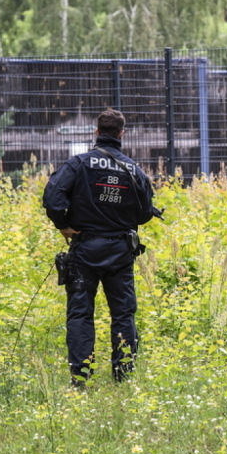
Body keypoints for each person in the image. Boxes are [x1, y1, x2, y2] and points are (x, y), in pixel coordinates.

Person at [43, 109, 157, 387]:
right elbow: (144, 214)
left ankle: (81, 379)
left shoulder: (78, 164)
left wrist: (64, 226)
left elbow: (53, 198)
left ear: (96, 133)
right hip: (120, 250)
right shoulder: (134, 170)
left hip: (84, 250)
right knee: (123, 313)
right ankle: (124, 375)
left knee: (81, 313)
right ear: (121, 134)